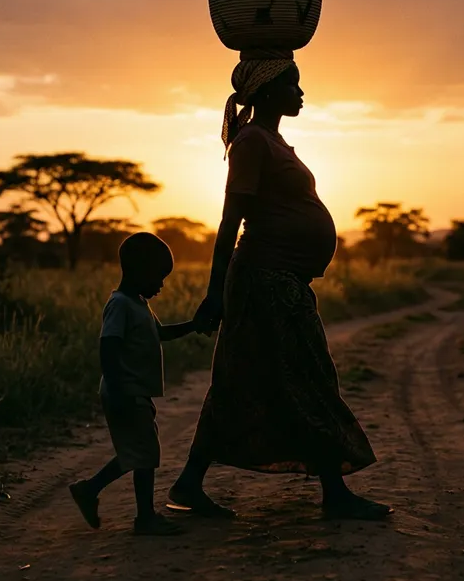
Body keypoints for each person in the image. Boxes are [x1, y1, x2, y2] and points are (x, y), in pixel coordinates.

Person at [166, 49, 393, 521]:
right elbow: (230, 219)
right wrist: (214, 290)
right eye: (293, 84)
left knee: (244, 380)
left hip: (277, 279)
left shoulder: (270, 141)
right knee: (306, 375)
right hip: (264, 282)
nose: (302, 92)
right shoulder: (252, 142)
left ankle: (189, 484)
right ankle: (335, 494)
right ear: (267, 91)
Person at [69, 232, 197, 536]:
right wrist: (118, 389)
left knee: (138, 452)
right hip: (124, 391)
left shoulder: (138, 303)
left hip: (134, 391)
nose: (161, 285)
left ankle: (89, 489)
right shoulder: (120, 305)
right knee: (144, 453)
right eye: (158, 277)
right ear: (139, 271)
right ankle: (144, 518)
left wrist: (194, 326)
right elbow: (108, 348)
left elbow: (160, 333)